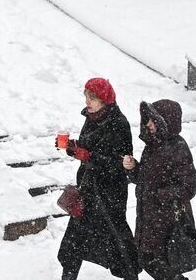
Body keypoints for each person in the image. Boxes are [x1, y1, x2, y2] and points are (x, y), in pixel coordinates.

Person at [57, 78, 141, 280]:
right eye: (86, 96)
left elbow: (121, 161)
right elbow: (88, 145)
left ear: (104, 99)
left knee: (116, 236)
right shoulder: (92, 117)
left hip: (109, 192)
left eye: (92, 97)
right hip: (88, 189)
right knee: (74, 238)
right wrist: (72, 146)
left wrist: (89, 156)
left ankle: (131, 274)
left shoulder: (118, 123)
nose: (87, 101)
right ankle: (68, 276)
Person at [122, 100, 196, 280]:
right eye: (148, 119)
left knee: (154, 260)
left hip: (166, 220)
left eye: (153, 120)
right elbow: (145, 179)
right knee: (148, 258)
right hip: (149, 218)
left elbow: (189, 187)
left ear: (166, 122)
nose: (148, 124)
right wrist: (133, 168)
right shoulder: (153, 145)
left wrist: (159, 195)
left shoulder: (177, 147)